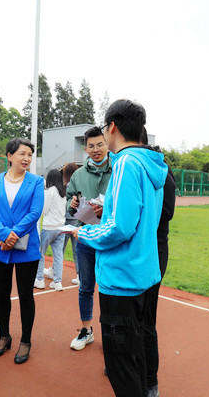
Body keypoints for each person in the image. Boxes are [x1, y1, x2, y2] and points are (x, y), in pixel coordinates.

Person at [73, 99, 167, 397]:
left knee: (121, 367)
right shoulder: (151, 163)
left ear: (112, 127)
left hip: (122, 279)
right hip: (142, 274)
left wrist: (83, 232)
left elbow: (120, 228)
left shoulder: (126, 162)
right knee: (135, 359)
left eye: (104, 129)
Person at [0, 138, 44, 365]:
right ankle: (4, 336)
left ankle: (26, 340)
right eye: (22, 153)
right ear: (9, 156)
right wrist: (3, 234)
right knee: (2, 294)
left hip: (26, 247)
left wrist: (13, 235)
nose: (26, 158)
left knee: (26, 295)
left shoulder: (36, 181)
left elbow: (35, 212)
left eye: (29, 154)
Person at [67, 126, 112, 351]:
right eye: (91, 146)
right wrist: (73, 204)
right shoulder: (78, 175)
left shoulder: (118, 170)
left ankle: (111, 333)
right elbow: (70, 203)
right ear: (86, 149)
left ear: (107, 145)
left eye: (100, 144)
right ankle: (86, 330)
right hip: (85, 238)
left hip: (111, 239)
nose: (96, 149)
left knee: (110, 287)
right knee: (85, 287)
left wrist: (106, 211)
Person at [142, 148, 176, 397]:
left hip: (154, 250)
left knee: (146, 317)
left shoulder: (163, 173)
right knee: (131, 316)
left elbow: (167, 212)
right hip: (134, 251)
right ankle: (128, 364)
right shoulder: (130, 168)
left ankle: (150, 380)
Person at [34, 169, 66, 290]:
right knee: (58, 255)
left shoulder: (50, 191)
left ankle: (39, 280)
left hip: (49, 227)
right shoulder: (63, 192)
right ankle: (57, 282)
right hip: (61, 227)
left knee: (41, 253)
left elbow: (44, 210)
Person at [61, 162, 80, 285]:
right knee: (76, 250)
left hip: (66, 220)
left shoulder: (67, 186)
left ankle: (55, 272)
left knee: (60, 248)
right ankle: (79, 275)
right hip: (76, 220)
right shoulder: (79, 184)